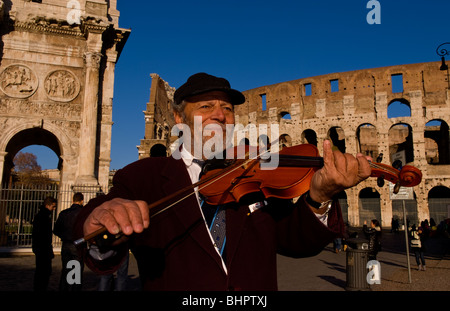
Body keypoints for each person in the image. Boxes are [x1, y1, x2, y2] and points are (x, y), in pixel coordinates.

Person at [74, 72, 372, 291]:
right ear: (180, 119)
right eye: (206, 107)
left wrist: (319, 196)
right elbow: (96, 232)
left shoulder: (256, 171)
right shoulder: (145, 176)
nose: (220, 115)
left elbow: (295, 241)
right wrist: (99, 222)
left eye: (227, 109)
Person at [53, 192, 85, 291]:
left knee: (66, 270)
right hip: (78, 245)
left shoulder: (63, 213)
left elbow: (56, 230)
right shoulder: (83, 213)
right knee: (77, 272)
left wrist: (65, 236)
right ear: (82, 201)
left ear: (73, 200)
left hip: (66, 244)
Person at [32, 196, 57, 291]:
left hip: (40, 248)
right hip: (43, 248)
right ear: (47, 205)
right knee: (44, 272)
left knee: (41, 271)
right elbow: (43, 235)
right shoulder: (43, 217)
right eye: (53, 207)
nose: (54, 209)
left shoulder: (42, 215)